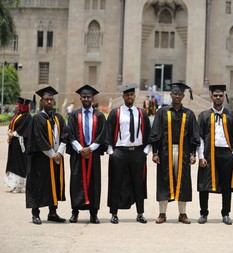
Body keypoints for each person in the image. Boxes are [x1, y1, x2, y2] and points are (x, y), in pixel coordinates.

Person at [149, 82, 200, 224]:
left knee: (183, 181)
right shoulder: (162, 112)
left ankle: (182, 214)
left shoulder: (188, 114)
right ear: (170, 95)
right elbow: (156, 132)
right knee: (164, 179)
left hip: (184, 152)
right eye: (174, 94)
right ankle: (162, 213)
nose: (177, 96)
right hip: (166, 151)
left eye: (179, 94)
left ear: (183, 96)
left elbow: (193, 136)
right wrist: (155, 152)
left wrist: (193, 154)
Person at [106, 83, 151, 224]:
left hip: (137, 152)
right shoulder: (116, 113)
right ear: (123, 96)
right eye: (127, 95)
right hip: (120, 152)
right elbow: (108, 133)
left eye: (131, 94)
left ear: (134, 96)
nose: (129, 97)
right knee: (116, 182)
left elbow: (149, 134)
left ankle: (140, 213)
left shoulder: (141, 113)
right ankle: (114, 213)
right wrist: (111, 152)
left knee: (138, 183)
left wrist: (145, 151)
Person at [197, 85, 233, 225]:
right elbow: (200, 137)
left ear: (224, 96)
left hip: (226, 153)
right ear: (211, 97)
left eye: (220, 95)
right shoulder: (204, 115)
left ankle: (226, 213)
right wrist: (201, 156)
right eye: (215, 95)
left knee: (226, 185)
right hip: (209, 153)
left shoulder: (231, 115)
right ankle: (203, 213)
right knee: (204, 184)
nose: (218, 98)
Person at [25, 86, 68, 225]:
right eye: (46, 99)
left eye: (51, 99)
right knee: (38, 185)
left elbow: (65, 135)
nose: (49, 102)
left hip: (56, 157)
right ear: (41, 101)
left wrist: (60, 152)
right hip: (41, 159)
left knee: (54, 184)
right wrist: (52, 155)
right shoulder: (37, 118)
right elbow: (38, 138)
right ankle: (35, 214)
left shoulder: (58, 117)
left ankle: (53, 212)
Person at [66, 85, 107, 224]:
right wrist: (80, 149)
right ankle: (75, 212)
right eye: (84, 97)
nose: (86, 99)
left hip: (93, 154)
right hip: (78, 155)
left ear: (92, 98)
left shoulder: (99, 116)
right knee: (76, 182)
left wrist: (90, 148)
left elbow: (102, 134)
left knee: (94, 183)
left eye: (88, 97)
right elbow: (70, 134)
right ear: (80, 98)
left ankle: (93, 213)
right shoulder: (74, 115)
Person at [4, 97, 32, 193]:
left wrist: (13, 134)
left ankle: (20, 186)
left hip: (21, 144)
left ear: (22, 106)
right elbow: (11, 125)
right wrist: (9, 133)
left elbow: (24, 129)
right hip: (14, 143)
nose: (16, 105)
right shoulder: (17, 115)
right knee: (13, 162)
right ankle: (15, 185)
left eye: (18, 104)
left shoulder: (27, 116)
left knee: (19, 163)